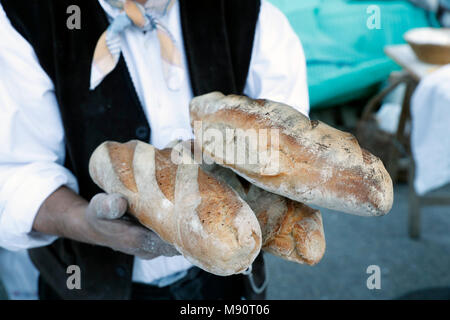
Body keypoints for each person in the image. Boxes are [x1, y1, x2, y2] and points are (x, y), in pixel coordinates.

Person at [0, 0, 309, 299]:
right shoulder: (28, 17)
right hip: (88, 285)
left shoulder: (246, 11)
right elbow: (15, 174)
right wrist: (88, 224)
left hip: (226, 283)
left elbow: (288, 142)